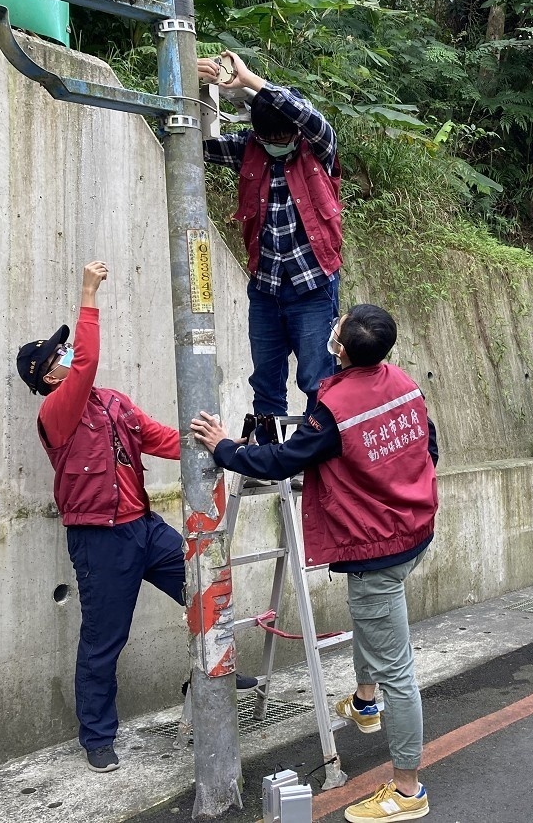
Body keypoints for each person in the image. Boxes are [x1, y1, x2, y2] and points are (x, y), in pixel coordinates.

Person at [190, 304, 437, 823]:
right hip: (415, 530)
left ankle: (408, 788)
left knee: (399, 669)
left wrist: (226, 448)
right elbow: (428, 448)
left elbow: (283, 460)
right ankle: (365, 702)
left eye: (339, 329)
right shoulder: (405, 384)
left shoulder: (336, 408)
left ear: (342, 349)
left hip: (376, 549)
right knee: (376, 625)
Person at [16, 261, 255, 774]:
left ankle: (216, 671)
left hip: (144, 529)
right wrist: (87, 293)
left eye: (67, 347)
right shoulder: (55, 412)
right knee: (104, 642)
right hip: (99, 541)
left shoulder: (112, 403)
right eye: (60, 354)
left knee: (203, 586)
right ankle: (98, 737)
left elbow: (161, 438)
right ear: (48, 374)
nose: (70, 356)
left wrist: (222, 444)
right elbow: (86, 367)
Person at [197, 49, 342, 419]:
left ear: (296, 132)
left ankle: (318, 463)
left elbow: (308, 114)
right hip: (265, 289)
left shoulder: (318, 148)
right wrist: (196, 84)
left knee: (318, 379)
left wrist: (248, 81)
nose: (277, 142)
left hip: (313, 288)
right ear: (256, 134)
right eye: (268, 137)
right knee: (266, 382)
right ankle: (270, 458)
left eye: (284, 135)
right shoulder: (250, 149)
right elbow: (191, 141)